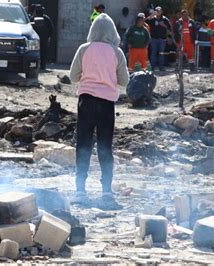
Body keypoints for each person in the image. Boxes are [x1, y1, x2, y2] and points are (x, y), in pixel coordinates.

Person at [69, 14, 129, 209]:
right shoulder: (117, 52)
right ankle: (106, 192)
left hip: (85, 101)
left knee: (83, 145)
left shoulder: (83, 49)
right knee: (105, 147)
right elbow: (124, 81)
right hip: (106, 104)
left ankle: (80, 191)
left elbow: (73, 76)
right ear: (113, 32)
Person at [146, 6, 171, 71]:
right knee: (153, 53)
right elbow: (145, 22)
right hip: (154, 39)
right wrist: (152, 15)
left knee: (161, 53)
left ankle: (161, 67)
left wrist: (163, 25)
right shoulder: (152, 19)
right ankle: (152, 67)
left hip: (162, 39)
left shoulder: (165, 19)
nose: (157, 12)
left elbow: (170, 28)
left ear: (161, 11)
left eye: (159, 10)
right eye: (156, 10)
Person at [32, 5, 54, 70]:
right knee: (42, 53)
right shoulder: (46, 18)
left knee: (36, 53)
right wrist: (49, 36)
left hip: (37, 39)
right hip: (42, 39)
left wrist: (49, 36)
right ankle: (41, 66)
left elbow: (51, 28)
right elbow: (51, 28)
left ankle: (38, 66)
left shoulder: (33, 18)